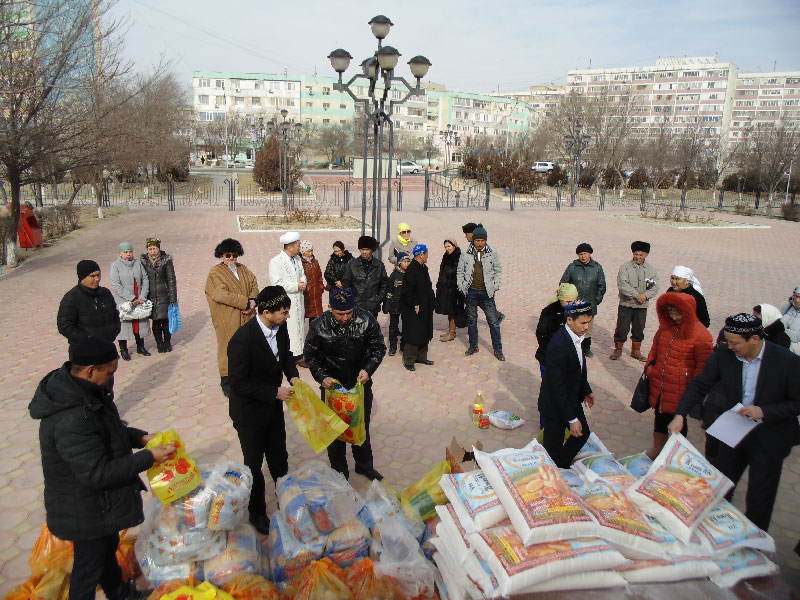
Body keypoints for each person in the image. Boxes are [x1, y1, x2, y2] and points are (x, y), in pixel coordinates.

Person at [29, 338, 175, 600]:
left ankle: (122, 594)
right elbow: (98, 473)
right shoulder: (72, 418)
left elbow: (108, 432)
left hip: (99, 506)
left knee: (106, 553)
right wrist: (149, 457)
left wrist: (140, 438)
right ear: (90, 370)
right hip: (84, 510)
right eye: (109, 373)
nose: (111, 379)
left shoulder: (86, 392)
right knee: (88, 570)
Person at [669, 313, 800, 531]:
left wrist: (764, 411)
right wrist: (680, 414)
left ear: (755, 339)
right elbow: (700, 384)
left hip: (770, 435)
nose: (730, 347)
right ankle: (714, 530)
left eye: (735, 343)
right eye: (728, 342)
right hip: (734, 430)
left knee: (760, 496)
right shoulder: (724, 354)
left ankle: (753, 541)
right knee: (719, 484)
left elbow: (797, 402)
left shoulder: (787, 361)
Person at [227, 286, 299, 535]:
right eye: (284, 312)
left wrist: (293, 375)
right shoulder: (242, 340)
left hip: (272, 410)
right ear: (266, 312)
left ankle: (286, 502)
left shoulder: (281, 327)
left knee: (279, 458)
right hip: (249, 414)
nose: (287, 316)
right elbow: (237, 383)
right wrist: (273, 392)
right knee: (254, 465)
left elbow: (286, 355)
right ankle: (257, 512)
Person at [304, 288, 386, 481]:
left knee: (361, 428)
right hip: (332, 388)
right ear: (330, 308)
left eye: (349, 312)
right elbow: (311, 356)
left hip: (359, 385)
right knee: (334, 432)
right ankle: (339, 471)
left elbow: (378, 348)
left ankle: (364, 466)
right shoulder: (318, 325)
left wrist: (368, 369)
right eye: (340, 314)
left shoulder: (366, 320)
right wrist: (321, 376)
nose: (345, 318)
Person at [643, 292, 713, 459]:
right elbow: (654, 349)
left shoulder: (701, 334)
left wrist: (694, 388)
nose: (674, 317)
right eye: (671, 312)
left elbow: (703, 367)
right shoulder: (666, 328)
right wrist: (650, 368)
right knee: (660, 415)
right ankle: (658, 448)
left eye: (678, 313)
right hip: (661, 383)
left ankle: (675, 454)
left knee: (678, 419)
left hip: (681, 387)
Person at [538, 300, 596, 468]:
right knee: (553, 450)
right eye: (583, 323)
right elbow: (558, 387)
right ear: (569, 320)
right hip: (555, 406)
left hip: (571, 399)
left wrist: (586, 390)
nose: (586, 327)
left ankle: (561, 465)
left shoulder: (576, 337)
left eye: (588, 322)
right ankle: (555, 469)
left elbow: (578, 369)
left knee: (582, 433)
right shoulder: (559, 345)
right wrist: (571, 419)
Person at [205, 238, 259, 398]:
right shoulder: (215, 273)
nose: (231, 258)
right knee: (228, 349)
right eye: (228, 255)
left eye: (234, 255)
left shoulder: (243, 269)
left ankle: (246, 378)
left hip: (247, 316)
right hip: (228, 318)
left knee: (248, 348)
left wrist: (253, 300)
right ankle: (226, 382)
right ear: (221, 255)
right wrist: (244, 302)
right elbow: (219, 294)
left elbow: (254, 284)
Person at [457, 224, 505, 361]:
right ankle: (473, 346)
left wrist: (495, 285)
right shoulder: (466, 253)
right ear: (473, 240)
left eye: (482, 240)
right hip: (471, 292)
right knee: (472, 320)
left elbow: (498, 270)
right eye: (477, 240)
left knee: (493, 322)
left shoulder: (492, 252)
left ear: (486, 240)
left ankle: (498, 349)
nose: (480, 243)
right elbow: (460, 271)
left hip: (487, 293)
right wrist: (462, 286)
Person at [611, 240, 659, 361]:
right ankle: (618, 349)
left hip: (642, 306)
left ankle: (635, 351)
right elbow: (622, 284)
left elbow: (654, 287)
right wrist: (637, 295)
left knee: (639, 329)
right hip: (626, 304)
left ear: (646, 255)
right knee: (622, 328)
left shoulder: (651, 270)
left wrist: (646, 296)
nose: (638, 257)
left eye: (641, 255)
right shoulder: (625, 268)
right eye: (636, 254)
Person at [57, 260, 121, 347]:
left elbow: (115, 314)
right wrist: (87, 339)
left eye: (98, 275)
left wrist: (115, 329)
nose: (97, 279)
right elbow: (64, 326)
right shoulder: (72, 297)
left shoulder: (105, 293)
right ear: (82, 277)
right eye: (92, 276)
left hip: (107, 345)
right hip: (83, 349)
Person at [560, 243, 606, 357]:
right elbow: (563, 283)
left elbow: (601, 286)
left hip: (590, 304)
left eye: (585, 254)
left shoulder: (597, 268)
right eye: (580, 254)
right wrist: (568, 301)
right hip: (574, 304)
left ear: (590, 254)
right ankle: (571, 348)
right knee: (572, 327)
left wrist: (596, 300)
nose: (583, 256)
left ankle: (586, 348)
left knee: (587, 328)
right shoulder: (572, 267)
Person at [269, 232, 307, 361]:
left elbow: (302, 275)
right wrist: (296, 285)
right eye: (298, 246)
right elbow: (277, 284)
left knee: (299, 327)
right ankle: (289, 355)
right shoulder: (276, 261)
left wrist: (303, 283)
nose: (300, 248)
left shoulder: (297, 259)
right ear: (290, 247)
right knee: (289, 328)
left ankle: (299, 353)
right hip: (287, 301)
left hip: (299, 299)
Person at [110, 242, 151, 361]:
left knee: (139, 322)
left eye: (130, 251)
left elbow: (145, 279)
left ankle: (141, 346)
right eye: (125, 252)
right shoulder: (115, 266)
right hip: (125, 301)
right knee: (124, 325)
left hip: (139, 299)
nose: (128, 254)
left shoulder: (138, 263)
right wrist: (131, 298)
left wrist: (142, 297)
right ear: (120, 253)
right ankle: (123, 349)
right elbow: (116, 285)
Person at [400, 244, 436, 372]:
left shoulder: (423, 268)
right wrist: (414, 304)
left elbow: (427, 286)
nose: (427, 256)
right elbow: (407, 291)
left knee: (424, 331)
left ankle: (421, 357)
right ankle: (409, 360)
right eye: (426, 254)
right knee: (413, 334)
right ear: (421, 255)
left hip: (425, 306)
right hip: (414, 308)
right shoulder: (412, 270)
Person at [140, 237, 178, 353]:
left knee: (165, 320)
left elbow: (171, 279)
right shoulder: (144, 262)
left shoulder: (166, 260)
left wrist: (173, 297)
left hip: (164, 295)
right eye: (150, 249)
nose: (152, 251)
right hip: (150, 296)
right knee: (156, 321)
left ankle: (167, 342)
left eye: (154, 249)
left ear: (158, 248)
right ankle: (159, 343)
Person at [462, 222, 504, 323]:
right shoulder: (470, 249)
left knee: (485, 303)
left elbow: (497, 268)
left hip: (485, 284)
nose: (465, 236)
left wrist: (495, 284)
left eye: (466, 234)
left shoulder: (486, 249)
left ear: (472, 234)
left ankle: (496, 317)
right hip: (473, 284)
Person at [535, 283, 579, 377]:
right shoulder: (549, 311)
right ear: (560, 299)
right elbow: (541, 333)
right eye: (567, 301)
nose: (570, 304)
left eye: (573, 301)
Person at [341, 235, 388, 317]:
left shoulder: (379, 265)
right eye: (362, 249)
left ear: (372, 250)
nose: (364, 252)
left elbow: (384, 284)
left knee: (372, 325)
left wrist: (377, 299)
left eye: (367, 249)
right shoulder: (352, 264)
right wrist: (353, 299)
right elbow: (346, 283)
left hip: (373, 306)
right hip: (356, 306)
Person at [434, 238, 465, 342]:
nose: (447, 249)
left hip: (454, 289)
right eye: (446, 247)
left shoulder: (458, 256)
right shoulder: (446, 256)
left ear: (454, 246)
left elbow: (457, 272)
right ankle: (450, 331)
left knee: (453, 311)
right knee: (449, 311)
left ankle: (452, 332)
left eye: (449, 246)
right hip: (446, 288)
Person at [382, 252, 411, 356]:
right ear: (399, 263)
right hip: (395, 305)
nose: (407, 264)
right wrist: (387, 306)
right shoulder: (394, 275)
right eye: (404, 261)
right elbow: (389, 292)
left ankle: (404, 346)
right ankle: (393, 346)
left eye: (408, 261)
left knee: (406, 326)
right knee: (393, 326)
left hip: (406, 305)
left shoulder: (410, 274)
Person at [300, 239, 325, 331]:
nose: (311, 253)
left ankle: (314, 332)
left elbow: (319, 275)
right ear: (303, 252)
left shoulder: (315, 262)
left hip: (316, 293)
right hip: (306, 293)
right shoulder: (300, 263)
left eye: (311, 251)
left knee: (315, 315)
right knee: (304, 313)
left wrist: (321, 286)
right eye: (308, 251)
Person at [780, 285, 800, 355]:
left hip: (793, 355)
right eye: (796, 296)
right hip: (780, 349)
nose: (797, 300)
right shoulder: (788, 307)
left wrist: (789, 349)